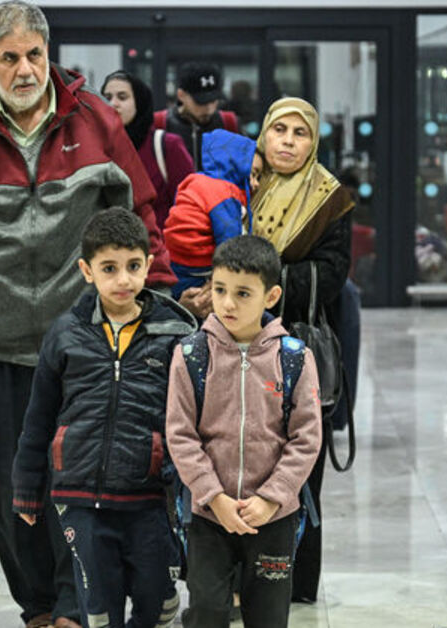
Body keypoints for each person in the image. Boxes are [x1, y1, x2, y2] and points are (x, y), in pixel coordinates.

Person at [0, 3, 174, 627]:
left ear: (48, 54)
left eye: (34, 55)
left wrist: (156, 311)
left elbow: (142, 218)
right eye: (10, 58)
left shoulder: (95, 119)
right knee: (10, 492)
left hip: (83, 344)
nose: (25, 70)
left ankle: (76, 608)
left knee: (79, 489)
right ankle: (39, 610)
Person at [13, 208, 192, 628]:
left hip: (147, 494)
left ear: (149, 265)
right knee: (97, 606)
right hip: (79, 495)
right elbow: (38, 418)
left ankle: (161, 602)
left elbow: (190, 418)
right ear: (87, 271)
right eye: (109, 268)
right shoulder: (65, 334)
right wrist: (26, 488)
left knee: (153, 595)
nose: (123, 279)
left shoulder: (175, 334)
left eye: (133, 266)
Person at [166, 235, 322, 628]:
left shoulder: (295, 358)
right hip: (209, 514)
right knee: (207, 611)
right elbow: (181, 435)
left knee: (268, 616)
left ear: (271, 296)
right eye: (219, 289)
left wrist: (271, 498)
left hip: (274, 517)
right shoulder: (190, 355)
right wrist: (213, 496)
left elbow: (306, 438)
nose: (228, 303)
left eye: (242, 293)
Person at [249, 97, 354, 604]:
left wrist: (256, 283)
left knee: (300, 463)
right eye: (279, 130)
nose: (288, 142)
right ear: (264, 135)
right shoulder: (244, 185)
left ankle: (295, 580)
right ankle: (243, 582)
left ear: (314, 142)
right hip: (238, 349)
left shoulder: (330, 199)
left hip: (297, 351)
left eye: (300, 133)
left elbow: (332, 275)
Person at [162, 129, 260, 300]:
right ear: (235, 166)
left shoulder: (195, 179)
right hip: (199, 265)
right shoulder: (225, 193)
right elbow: (229, 242)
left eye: (258, 177)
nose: (256, 183)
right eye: (251, 174)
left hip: (173, 257)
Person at [101, 71, 194, 231]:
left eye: (122, 97)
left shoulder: (167, 146)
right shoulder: (95, 147)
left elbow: (189, 207)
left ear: (139, 102)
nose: (113, 103)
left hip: (158, 242)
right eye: (107, 97)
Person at [154, 62, 239, 169]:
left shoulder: (229, 124)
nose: (209, 109)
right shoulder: (159, 125)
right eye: (201, 102)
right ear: (181, 95)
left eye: (213, 101)